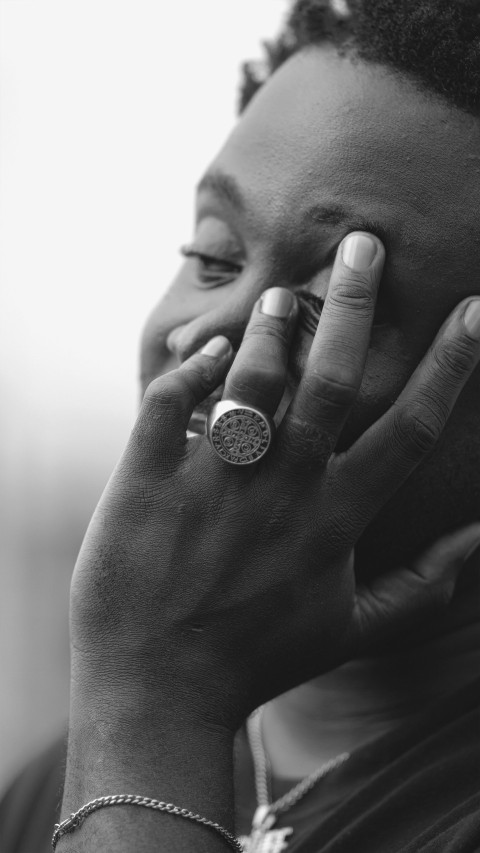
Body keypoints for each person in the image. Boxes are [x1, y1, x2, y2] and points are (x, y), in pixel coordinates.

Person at [1, 0, 480, 851]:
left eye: (327, 308)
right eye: (212, 255)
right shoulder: (47, 789)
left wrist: (155, 709)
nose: (204, 335)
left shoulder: (134, 738)